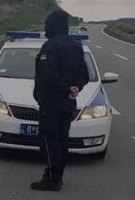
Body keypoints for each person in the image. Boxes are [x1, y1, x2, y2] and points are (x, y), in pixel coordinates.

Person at [31, 9, 89, 191]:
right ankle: (57, 175)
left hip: (51, 100)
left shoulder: (50, 46)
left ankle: (52, 178)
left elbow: (48, 74)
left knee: (48, 139)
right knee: (63, 139)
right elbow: (84, 74)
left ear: (52, 26)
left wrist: (65, 88)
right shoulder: (76, 46)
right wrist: (76, 87)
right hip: (69, 101)